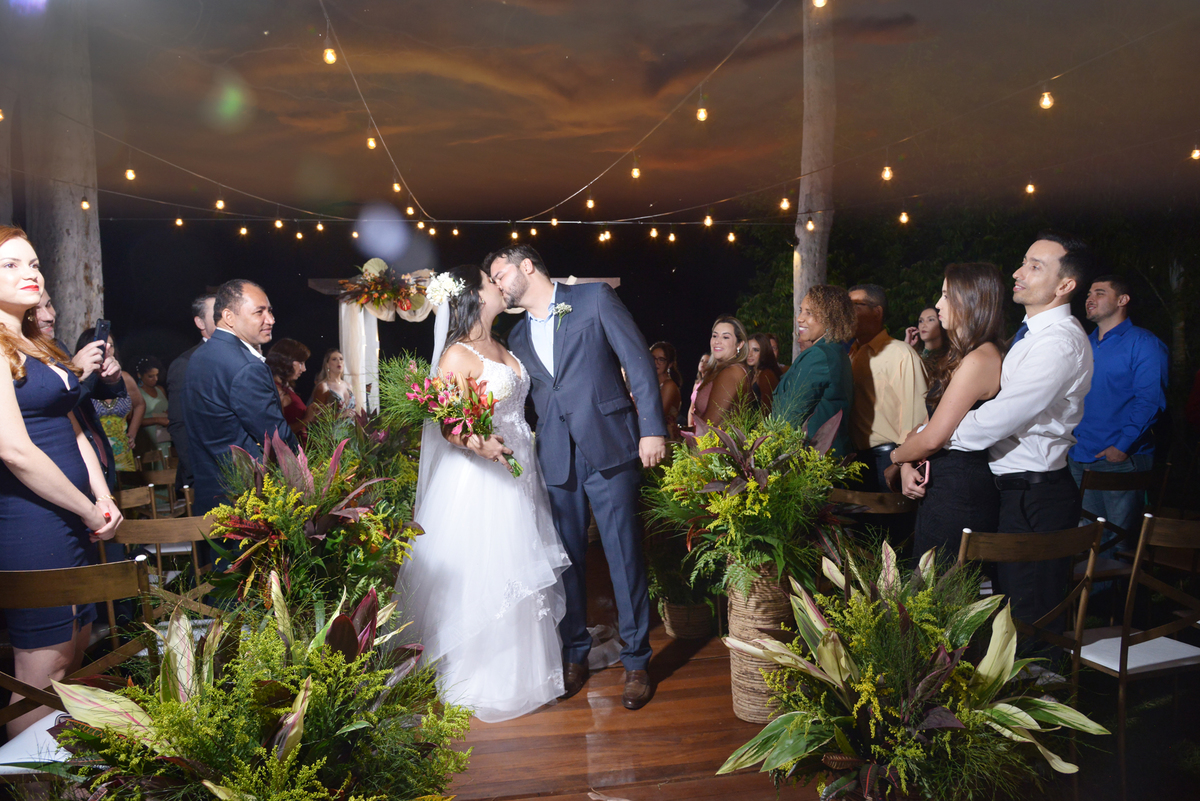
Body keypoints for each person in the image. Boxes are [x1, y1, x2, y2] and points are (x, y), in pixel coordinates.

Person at [488, 244, 666, 711]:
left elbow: (638, 361)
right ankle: (574, 655)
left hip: (610, 447)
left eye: (501, 274)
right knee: (565, 562)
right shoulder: (517, 336)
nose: (498, 284)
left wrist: (651, 428)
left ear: (527, 266)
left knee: (624, 556)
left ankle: (636, 662)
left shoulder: (594, 298)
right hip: (555, 460)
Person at [394, 264, 570, 722]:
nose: (499, 286)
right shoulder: (457, 354)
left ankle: (526, 675)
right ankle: (483, 675)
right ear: (473, 296)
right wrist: (479, 443)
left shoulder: (504, 346)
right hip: (483, 477)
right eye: (491, 282)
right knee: (491, 567)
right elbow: (446, 423)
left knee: (520, 564)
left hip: (521, 471)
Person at [0, 226, 122, 737]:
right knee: (41, 670)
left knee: (75, 652)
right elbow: (15, 450)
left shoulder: (37, 343)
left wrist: (102, 496)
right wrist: (88, 509)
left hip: (72, 517)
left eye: (32, 263)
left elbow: (72, 426)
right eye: (10, 265)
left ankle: (59, 771)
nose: (29, 273)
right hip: (31, 523)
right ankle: (27, 778)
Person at [949, 232, 1094, 633]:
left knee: (1029, 623)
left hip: (1035, 496)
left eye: (1035, 266)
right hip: (1015, 491)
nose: (1018, 273)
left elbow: (1001, 417)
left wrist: (935, 435)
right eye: (1023, 262)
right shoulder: (1031, 333)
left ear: (1065, 286)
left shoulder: (1059, 343)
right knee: (1006, 618)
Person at [888, 264, 1006, 561]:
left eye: (947, 296)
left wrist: (896, 458)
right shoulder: (963, 355)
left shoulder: (981, 358)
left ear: (972, 300)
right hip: (941, 483)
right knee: (925, 578)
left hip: (960, 491)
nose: (939, 305)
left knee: (941, 582)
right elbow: (925, 426)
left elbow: (932, 438)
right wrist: (907, 464)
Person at [185, 279, 297, 517]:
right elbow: (277, 439)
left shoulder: (199, 356)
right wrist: (307, 473)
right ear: (229, 316)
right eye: (259, 312)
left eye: (270, 311)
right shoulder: (245, 366)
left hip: (210, 494)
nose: (270, 320)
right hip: (247, 503)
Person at [1067, 275, 1168, 539]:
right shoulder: (1083, 343)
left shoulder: (1143, 342)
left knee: (1116, 541)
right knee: (1084, 538)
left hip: (1120, 460)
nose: (1090, 298)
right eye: (1088, 294)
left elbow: (1150, 401)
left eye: (1100, 293)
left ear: (1122, 300)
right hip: (1079, 455)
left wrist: (1122, 447)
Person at [35, 289, 127, 492]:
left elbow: (84, 395)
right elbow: (45, 411)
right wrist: (74, 375)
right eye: (35, 310)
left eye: (49, 305)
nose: (49, 316)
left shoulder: (57, 347)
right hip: (60, 473)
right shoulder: (16, 360)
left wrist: (111, 381)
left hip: (95, 460)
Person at [848, 284, 929, 491]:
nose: (847, 312)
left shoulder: (901, 354)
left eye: (855, 305)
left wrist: (902, 462)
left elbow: (917, 417)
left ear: (877, 312)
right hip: (854, 461)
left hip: (888, 460)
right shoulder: (851, 355)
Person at [771, 285, 855, 456]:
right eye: (801, 311)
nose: (799, 318)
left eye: (809, 313)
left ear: (830, 317)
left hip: (811, 459)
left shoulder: (819, 355)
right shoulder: (835, 351)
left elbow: (791, 415)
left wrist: (770, 455)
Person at [167, 294, 216, 489]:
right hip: (208, 476)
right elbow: (180, 425)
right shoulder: (186, 364)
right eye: (217, 314)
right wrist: (199, 474)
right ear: (200, 322)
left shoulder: (245, 357)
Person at [77, 329, 143, 473]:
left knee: (130, 487)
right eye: (102, 346)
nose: (107, 350)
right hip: (95, 453)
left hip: (123, 453)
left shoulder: (124, 378)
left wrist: (132, 433)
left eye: (111, 345)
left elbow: (140, 404)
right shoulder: (81, 381)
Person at [689, 315, 751, 428]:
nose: (717, 341)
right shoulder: (717, 371)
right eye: (715, 336)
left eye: (725, 337)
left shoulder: (731, 372)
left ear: (740, 344)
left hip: (713, 439)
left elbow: (710, 425)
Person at [265, 338, 314, 441]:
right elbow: (278, 433)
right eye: (301, 363)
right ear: (286, 361)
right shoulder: (276, 390)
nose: (304, 369)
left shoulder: (285, 387)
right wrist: (307, 419)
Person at [134, 356, 171, 459]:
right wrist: (157, 420)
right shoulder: (136, 393)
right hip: (148, 441)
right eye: (151, 376)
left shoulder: (160, 389)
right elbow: (132, 420)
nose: (156, 379)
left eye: (157, 375)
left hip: (164, 437)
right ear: (139, 375)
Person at [649, 341, 682, 440]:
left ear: (670, 364)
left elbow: (658, 415)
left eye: (661, 359)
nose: (656, 362)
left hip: (664, 438)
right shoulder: (649, 382)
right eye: (653, 358)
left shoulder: (669, 385)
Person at [311, 348, 357, 416]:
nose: (339, 361)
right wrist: (340, 415)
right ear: (327, 365)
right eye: (334, 359)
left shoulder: (348, 386)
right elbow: (316, 416)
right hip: (334, 423)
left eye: (341, 359)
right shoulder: (324, 387)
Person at [746, 332, 782, 414]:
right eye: (747, 350)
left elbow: (767, 409)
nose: (750, 354)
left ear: (764, 352)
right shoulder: (753, 373)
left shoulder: (766, 374)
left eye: (756, 350)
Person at [905, 306, 947, 374]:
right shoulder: (914, 353)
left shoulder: (949, 358)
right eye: (921, 321)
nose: (923, 325)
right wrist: (906, 347)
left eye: (931, 320)